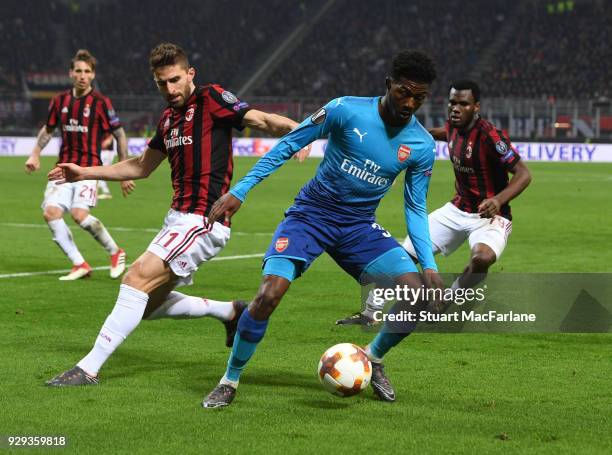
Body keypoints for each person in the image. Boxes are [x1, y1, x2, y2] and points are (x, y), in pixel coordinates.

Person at [45, 42, 304, 387]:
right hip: (177, 219)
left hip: (204, 220)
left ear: (190, 74)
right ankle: (230, 312)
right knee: (147, 305)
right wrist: (85, 172)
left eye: (175, 80)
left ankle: (87, 368)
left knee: (135, 278)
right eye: (161, 83)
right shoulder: (168, 119)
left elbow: (259, 118)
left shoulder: (211, 98)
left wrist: (298, 131)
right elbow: (140, 166)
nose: (169, 89)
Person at [201, 50, 445, 408]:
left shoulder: (422, 145)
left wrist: (429, 266)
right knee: (269, 294)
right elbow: (289, 144)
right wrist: (240, 190)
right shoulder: (346, 109)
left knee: (419, 294)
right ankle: (230, 379)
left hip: (358, 227)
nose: (410, 103)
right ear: (388, 84)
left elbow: (416, 206)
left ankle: (372, 358)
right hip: (311, 216)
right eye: (403, 93)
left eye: (419, 98)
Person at [336, 80, 532, 325]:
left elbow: (524, 174)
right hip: (456, 209)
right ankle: (370, 313)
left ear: (476, 107)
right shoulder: (452, 129)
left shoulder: (490, 136)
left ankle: (446, 301)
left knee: (481, 258)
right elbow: (430, 135)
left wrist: (497, 199)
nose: (455, 109)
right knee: (403, 255)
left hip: (492, 215)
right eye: (452, 103)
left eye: (463, 104)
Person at [25, 49, 134, 280]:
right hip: (63, 169)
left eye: (87, 71)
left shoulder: (101, 103)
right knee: (50, 213)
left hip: (88, 170)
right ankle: (79, 264)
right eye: (78, 71)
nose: (82, 75)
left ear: (93, 75)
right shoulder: (59, 101)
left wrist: (125, 172)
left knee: (78, 215)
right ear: (71, 73)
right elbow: (48, 130)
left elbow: (120, 135)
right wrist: (35, 153)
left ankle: (115, 252)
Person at [97, 133, 115, 199]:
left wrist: (109, 139)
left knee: (100, 172)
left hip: (107, 152)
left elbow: (112, 132)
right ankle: (98, 188)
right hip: (103, 151)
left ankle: (106, 192)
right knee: (99, 171)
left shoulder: (107, 124)